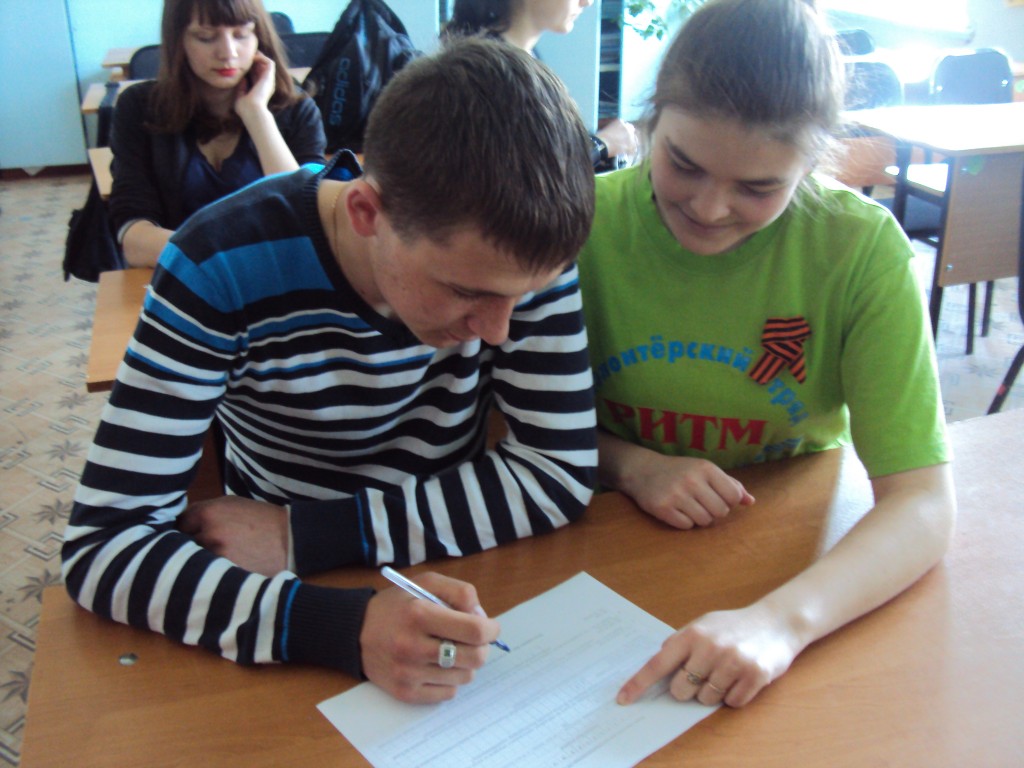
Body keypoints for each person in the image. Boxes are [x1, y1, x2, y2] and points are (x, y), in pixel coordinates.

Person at [63, 38, 597, 704]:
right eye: (465, 293)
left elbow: (558, 470)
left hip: (449, 553)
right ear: (367, 212)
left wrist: (305, 535)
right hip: (275, 579)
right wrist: (339, 626)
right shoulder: (215, 262)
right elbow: (104, 544)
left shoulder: (520, 253)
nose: (499, 331)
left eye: (525, 295)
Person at [576, 0, 956, 709]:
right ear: (649, 123)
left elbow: (922, 503)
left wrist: (781, 623)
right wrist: (631, 464)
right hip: (599, 555)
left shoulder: (860, 250)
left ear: (810, 166)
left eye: (758, 188)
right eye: (682, 164)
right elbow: (504, 425)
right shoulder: (582, 222)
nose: (709, 208)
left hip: (781, 551)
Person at [108, 0, 326, 268]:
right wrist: (223, 258)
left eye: (241, 34)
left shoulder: (297, 109)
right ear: (178, 40)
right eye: (206, 37)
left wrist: (257, 115)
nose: (228, 53)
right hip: (179, 275)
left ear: (259, 37)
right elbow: (134, 238)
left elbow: (306, 219)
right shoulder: (139, 107)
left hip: (275, 274)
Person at [444, 0, 638, 169]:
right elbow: (534, 174)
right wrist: (602, 144)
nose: (587, 2)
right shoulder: (490, 73)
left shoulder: (517, 54)